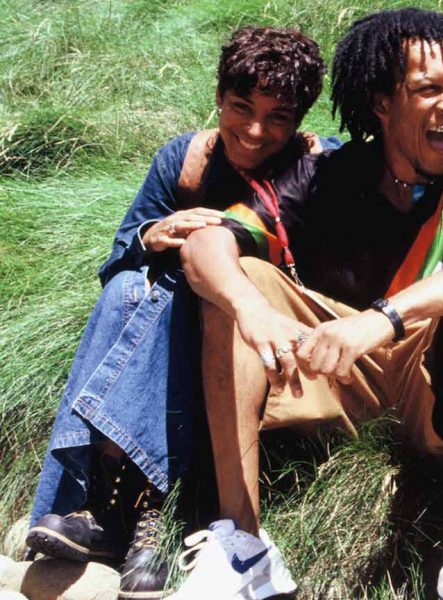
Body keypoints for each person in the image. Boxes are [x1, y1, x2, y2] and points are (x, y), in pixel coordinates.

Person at [169, 8, 443, 600]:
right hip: (332, 374)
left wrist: (385, 318)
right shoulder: (323, 174)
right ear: (380, 102)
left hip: (437, 384)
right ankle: (243, 545)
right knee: (234, 277)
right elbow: (206, 244)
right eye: (428, 90)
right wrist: (250, 306)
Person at [26, 26, 336, 599]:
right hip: (192, 341)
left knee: (170, 290)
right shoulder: (185, 159)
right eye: (240, 108)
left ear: (300, 119)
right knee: (127, 289)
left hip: (277, 341)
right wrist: (155, 232)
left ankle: (105, 508)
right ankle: (145, 518)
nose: (254, 130)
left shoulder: (323, 165)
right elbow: (121, 252)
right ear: (218, 97)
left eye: (277, 118)